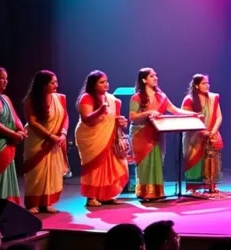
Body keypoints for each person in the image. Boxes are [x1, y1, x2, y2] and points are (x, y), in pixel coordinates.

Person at [129, 67, 197, 201]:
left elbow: (175, 110)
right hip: (141, 134)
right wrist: (149, 113)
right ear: (144, 80)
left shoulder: (161, 96)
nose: (155, 78)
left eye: (155, 75)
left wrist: (193, 114)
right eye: (151, 76)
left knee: (157, 162)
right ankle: (145, 193)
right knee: (145, 163)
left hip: (157, 133)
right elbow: (132, 117)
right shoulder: (136, 97)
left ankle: (156, 193)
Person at [75, 70, 129, 207]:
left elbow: (114, 120)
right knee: (94, 166)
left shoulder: (112, 100)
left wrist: (121, 121)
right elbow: (87, 119)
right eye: (102, 82)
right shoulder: (86, 98)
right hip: (91, 137)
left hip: (109, 136)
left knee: (112, 164)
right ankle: (91, 197)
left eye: (106, 81)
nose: (106, 84)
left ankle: (107, 195)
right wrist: (100, 110)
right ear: (93, 85)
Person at [22, 70, 69, 213]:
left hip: (55, 140)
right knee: (36, 172)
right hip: (37, 140)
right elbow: (32, 122)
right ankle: (33, 203)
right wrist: (50, 136)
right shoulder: (31, 100)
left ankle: (47, 202)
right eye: (52, 82)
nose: (56, 85)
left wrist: (63, 134)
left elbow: (65, 117)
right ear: (43, 85)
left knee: (52, 172)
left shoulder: (60, 99)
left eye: (56, 82)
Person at [181, 74, 223, 192]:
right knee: (194, 159)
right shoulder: (189, 100)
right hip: (193, 136)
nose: (207, 85)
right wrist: (201, 131)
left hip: (211, 133)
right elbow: (186, 118)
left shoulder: (213, 98)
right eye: (203, 83)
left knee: (211, 159)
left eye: (207, 83)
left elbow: (219, 117)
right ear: (196, 85)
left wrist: (213, 131)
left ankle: (210, 185)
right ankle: (193, 187)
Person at [0, 67, 26, 204]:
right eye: (1, 78)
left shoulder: (5, 98)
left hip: (8, 143)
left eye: (6, 78)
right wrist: (13, 135)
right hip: (0, 144)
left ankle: (7, 210)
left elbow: (15, 118)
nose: (5, 81)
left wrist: (21, 131)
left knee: (7, 177)